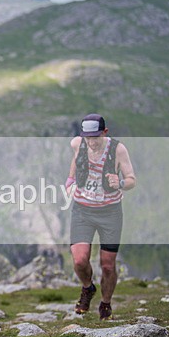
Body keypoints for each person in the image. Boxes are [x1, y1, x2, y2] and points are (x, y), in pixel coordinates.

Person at [65, 114, 136, 320]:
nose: (92, 142)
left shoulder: (118, 149)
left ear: (104, 133)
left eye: (95, 137)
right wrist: (70, 180)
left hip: (110, 213)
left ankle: (105, 303)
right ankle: (88, 288)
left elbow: (132, 180)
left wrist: (120, 183)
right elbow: (76, 158)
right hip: (82, 210)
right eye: (88, 137)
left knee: (107, 265)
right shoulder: (78, 143)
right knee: (80, 260)